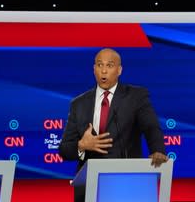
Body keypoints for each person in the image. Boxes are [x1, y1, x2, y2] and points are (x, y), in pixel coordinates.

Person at [59, 48, 168, 202]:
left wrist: (157, 149)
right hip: (89, 188)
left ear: (119, 70)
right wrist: (81, 146)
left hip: (126, 184)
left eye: (109, 65)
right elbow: (64, 150)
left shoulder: (136, 96)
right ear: (93, 69)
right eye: (99, 65)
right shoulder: (79, 104)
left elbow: (151, 127)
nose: (104, 70)